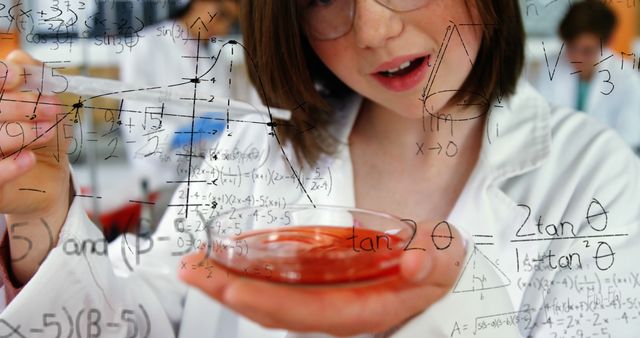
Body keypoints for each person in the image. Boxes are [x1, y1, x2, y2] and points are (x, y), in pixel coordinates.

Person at [0, 1, 638, 338]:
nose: (376, 29)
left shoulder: (592, 179)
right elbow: (138, 324)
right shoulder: (253, 152)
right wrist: (44, 218)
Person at [532, 0, 640, 152]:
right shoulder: (549, 67)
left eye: (587, 50)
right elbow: (540, 125)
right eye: (571, 47)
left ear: (608, 42)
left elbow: (628, 138)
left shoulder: (628, 79)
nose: (577, 57)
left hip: (608, 163)